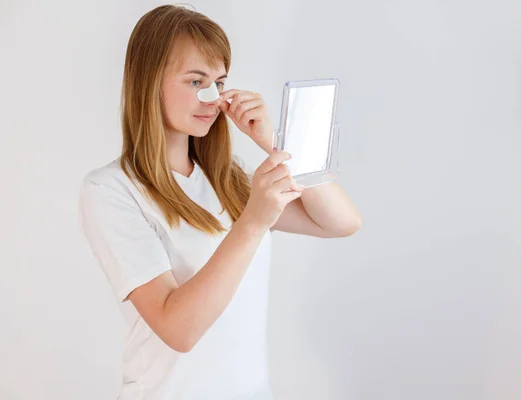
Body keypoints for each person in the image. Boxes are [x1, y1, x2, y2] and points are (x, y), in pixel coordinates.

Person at [78, 4, 361, 400]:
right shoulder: (111, 191)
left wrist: (272, 142)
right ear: (149, 81)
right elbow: (178, 330)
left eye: (219, 81)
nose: (212, 97)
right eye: (195, 81)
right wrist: (252, 223)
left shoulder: (228, 178)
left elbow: (341, 221)